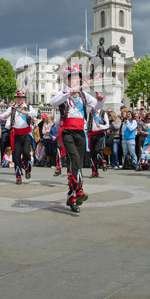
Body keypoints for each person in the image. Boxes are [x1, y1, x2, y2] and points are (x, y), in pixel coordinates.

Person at [50, 63, 104, 213]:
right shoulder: (62, 95)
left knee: (77, 164)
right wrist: (69, 93)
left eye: (77, 78)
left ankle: (72, 197)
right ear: (67, 81)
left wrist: (100, 100)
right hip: (67, 132)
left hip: (80, 133)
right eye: (72, 78)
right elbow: (53, 103)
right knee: (74, 159)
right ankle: (78, 191)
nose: (76, 81)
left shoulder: (84, 95)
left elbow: (98, 107)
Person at [0, 89, 37, 184]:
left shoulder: (27, 107)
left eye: (21, 98)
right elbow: (1, 116)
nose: (20, 100)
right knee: (16, 156)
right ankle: (18, 176)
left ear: (24, 99)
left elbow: (35, 114)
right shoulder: (12, 108)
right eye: (18, 98)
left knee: (26, 153)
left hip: (26, 134)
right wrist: (6, 115)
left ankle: (28, 169)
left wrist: (27, 113)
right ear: (16, 99)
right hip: (16, 135)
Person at [87, 108, 109, 177]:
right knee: (92, 154)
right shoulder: (90, 113)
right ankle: (94, 171)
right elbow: (87, 122)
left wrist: (101, 126)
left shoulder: (103, 113)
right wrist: (86, 129)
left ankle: (103, 162)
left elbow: (107, 125)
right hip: (92, 134)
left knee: (98, 149)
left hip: (100, 134)